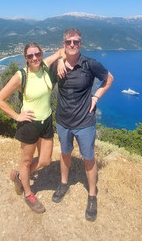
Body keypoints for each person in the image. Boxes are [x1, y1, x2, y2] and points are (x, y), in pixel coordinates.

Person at [50, 28, 114, 221]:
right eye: (69, 42)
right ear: (63, 44)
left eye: (76, 42)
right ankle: (63, 184)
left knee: (88, 158)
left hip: (85, 122)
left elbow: (109, 79)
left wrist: (96, 97)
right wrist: (59, 59)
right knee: (65, 153)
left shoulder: (89, 64)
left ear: (80, 44)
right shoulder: (57, 66)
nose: (72, 45)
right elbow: (42, 78)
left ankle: (92, 195)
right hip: (63, 120)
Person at [0, 43, 65, 213]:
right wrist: (17, 116)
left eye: (37, 54)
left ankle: (19, 175)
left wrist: (61, 60)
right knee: (26, 161)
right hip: (29, 124)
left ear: (42, 54)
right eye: (30, 56)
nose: (35, 58)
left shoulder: (46, 66)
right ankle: (28, 193)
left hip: (46, 121)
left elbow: (62, 51)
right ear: (25, 58)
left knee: (45, 160)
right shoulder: (21, 75)